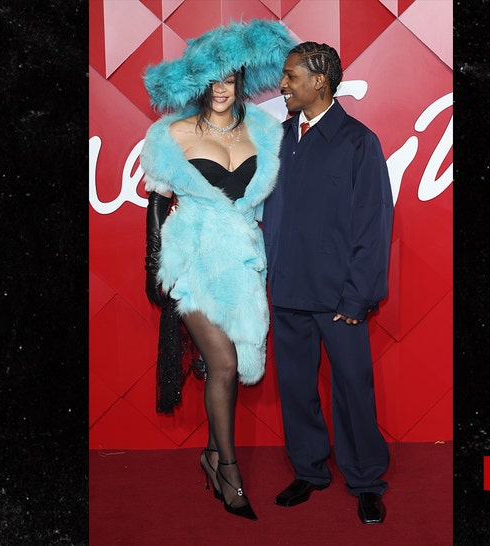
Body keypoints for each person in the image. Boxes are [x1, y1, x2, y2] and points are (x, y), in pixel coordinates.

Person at [139, 20, 294, 521]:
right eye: (213, 79)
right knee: (222, 365)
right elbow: (157, 206)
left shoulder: (266, 133)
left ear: (241, 81)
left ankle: (211, 453)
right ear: (199, 83)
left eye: (230, 78)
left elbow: (274, 205)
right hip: (193, 261)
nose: (222, 88)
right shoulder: (171, 134)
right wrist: (155, 268)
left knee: (232, 370)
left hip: (245, 264)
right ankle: (228, 469)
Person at [262, 42, 394, 525]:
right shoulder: (276, 139)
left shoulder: (360, 141)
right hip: (290, 289)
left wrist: (359, 295)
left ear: (320, 80)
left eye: (291, 76)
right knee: (296, 387)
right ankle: (309, 471)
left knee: (353, 389)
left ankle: (365, 480)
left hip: (341, 297)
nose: (283, 85)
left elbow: (373, 223)